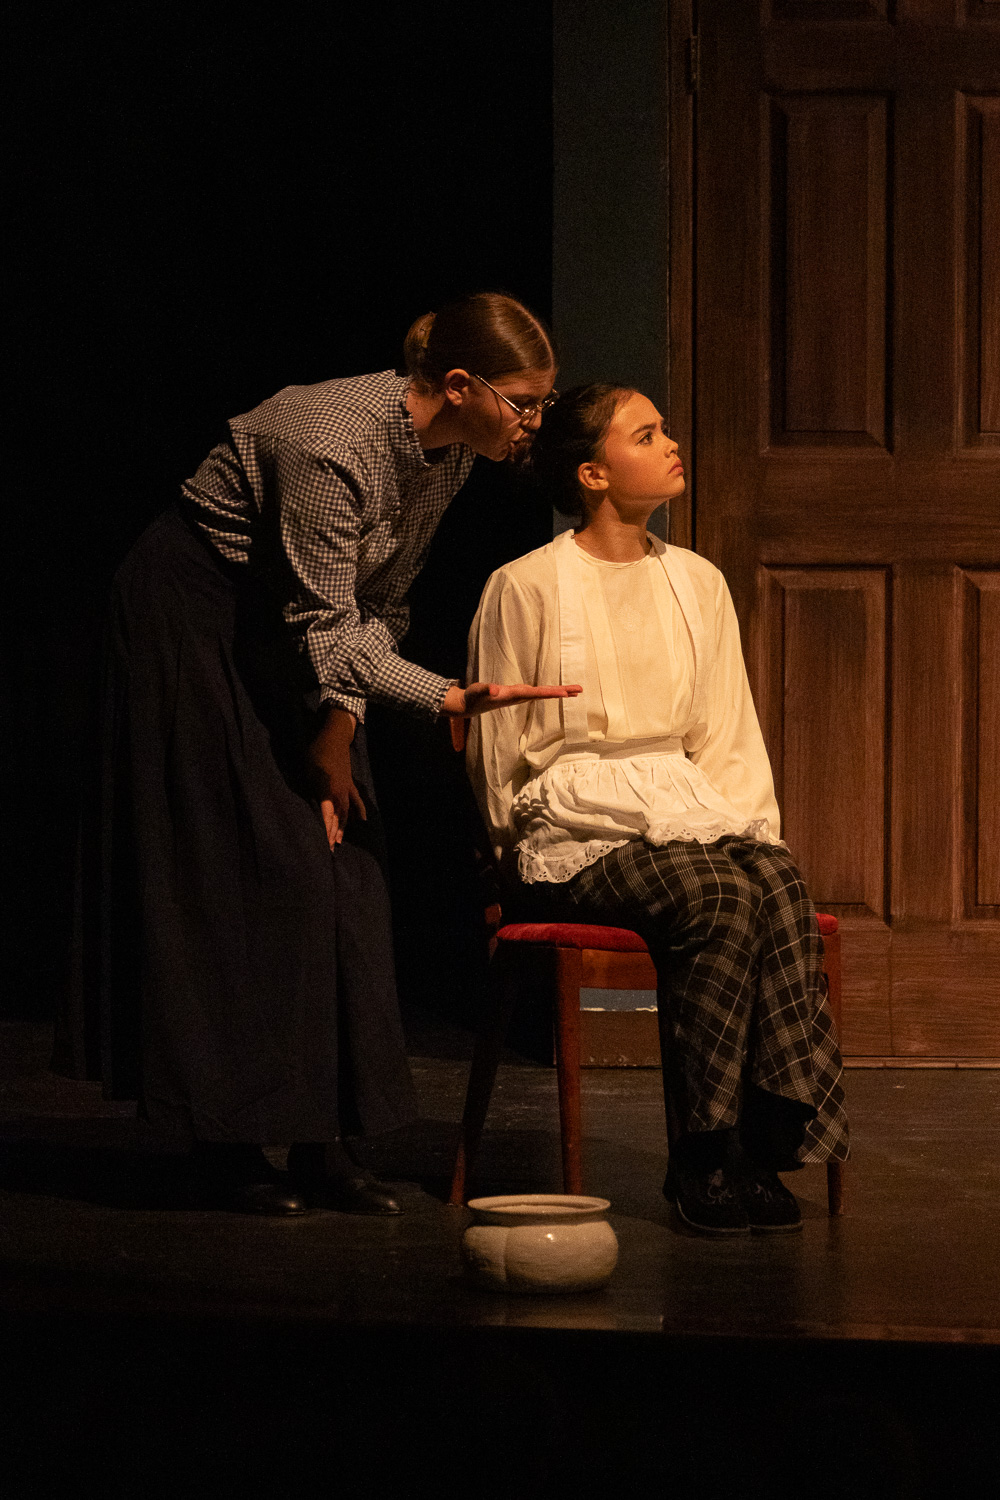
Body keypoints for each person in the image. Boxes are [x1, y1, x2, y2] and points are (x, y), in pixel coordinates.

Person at [66, 292, 578, 1216]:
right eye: (524, 402)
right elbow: (327, 623)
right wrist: (446, 697)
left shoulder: (453, 454)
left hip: (301, 627)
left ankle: (326, 1141)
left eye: (543, 403)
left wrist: (339, 732)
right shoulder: (328, 442)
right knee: (245, 868)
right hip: (198, 614)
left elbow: (377, 603)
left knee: (348, 867)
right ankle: (227, 1142)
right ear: (460, 385)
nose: (534, 423)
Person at [465, 384, 848, 1236]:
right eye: (646, 435)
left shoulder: (695, 581)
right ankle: (702, 1153)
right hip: (568, 827)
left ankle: (764, 1136)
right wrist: (507, 854)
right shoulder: (524, 585)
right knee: (717, 897)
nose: (672, 443)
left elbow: (726, 730)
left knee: (774, 882)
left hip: (679, 808)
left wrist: (756, 835)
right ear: (593, 473)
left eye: (665, 429)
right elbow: (496, 745)